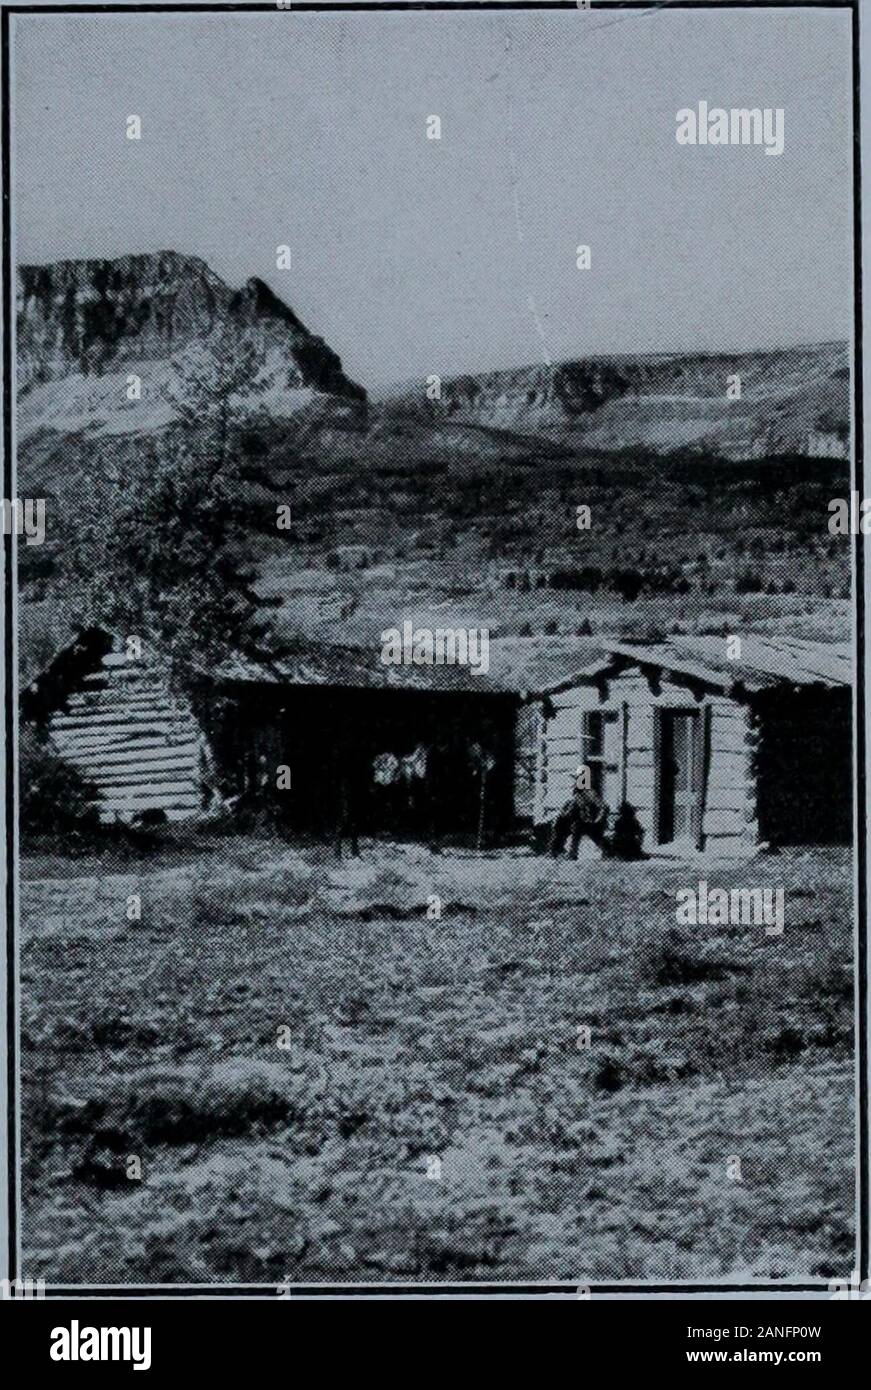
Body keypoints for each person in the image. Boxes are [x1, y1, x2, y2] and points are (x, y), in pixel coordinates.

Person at [549, 768, 608, 858]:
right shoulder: (575, 793)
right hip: (574, 820)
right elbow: (569, 808)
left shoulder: (589, 793)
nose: (575, 784)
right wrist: (563, 814)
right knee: (560, 824)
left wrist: (597, 819)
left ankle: (573, 853)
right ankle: (556, 849)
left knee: (578, 828)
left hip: (587, 822)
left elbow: (604, 807)